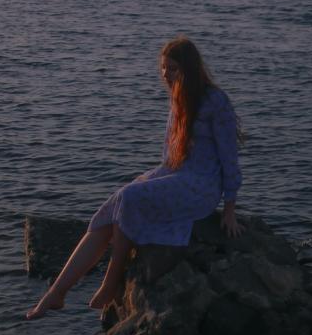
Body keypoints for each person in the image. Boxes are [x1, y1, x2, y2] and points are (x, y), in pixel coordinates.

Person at [25, 35, 244, 320]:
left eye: (173, 68)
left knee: (129, 198)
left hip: (202, 186)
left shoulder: (216, 101)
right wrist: (149, 180)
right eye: (164, 68)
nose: (166, 74)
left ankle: (110, 282)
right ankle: (56, 293)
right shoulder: (178, 100)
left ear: (189, 69)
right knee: (111, 208)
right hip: (175, 175)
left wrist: (230, 208)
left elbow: (229, 156)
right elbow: (170, 159)